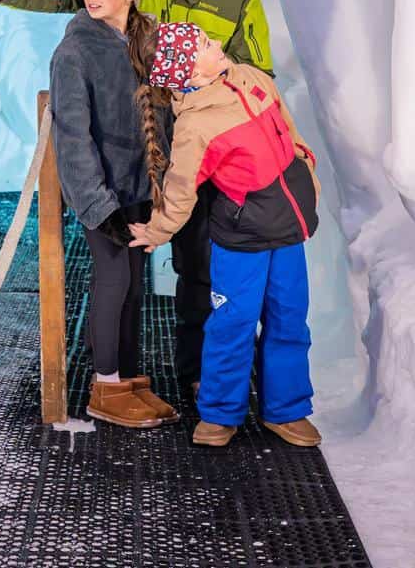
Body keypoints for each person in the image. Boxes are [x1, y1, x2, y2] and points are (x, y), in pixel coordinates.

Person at [0, 0, 272, 390]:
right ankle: (118, 379)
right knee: (127, 270)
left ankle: (200, 376)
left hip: (203, 150)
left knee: (201, 265)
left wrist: (217, 86)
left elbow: (257, 75)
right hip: (145, 153)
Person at [130, 22, 321, 449]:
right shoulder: (196, 126)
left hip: (288, 230)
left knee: (289, 317)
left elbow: (289, 131)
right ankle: (219, 414)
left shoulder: (251, 78)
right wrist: (158, 230)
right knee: (233, 323)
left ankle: (288, 409)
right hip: (241, 239)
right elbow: (180, 189)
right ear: (190, 72)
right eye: (203, 45)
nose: (215, 44)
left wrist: (306, 168)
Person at [48, 0, 178, 429]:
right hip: (103, 196)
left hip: (140, 189)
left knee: (135, 285)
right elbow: (72, 137)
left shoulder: (143, 41)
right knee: (113, 281)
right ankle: (104, 385)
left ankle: (128, 380)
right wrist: (98, 205)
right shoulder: (74, 51)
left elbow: (162, 116)